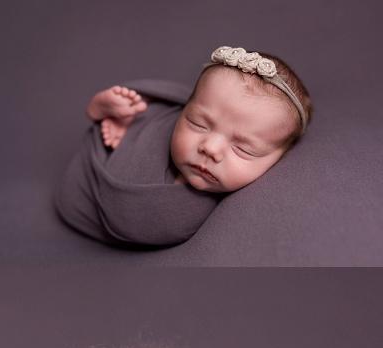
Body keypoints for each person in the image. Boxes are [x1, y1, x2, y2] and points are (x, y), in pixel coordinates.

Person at [56, 46, 313, 246]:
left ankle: (124, 127)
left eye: (243, 149)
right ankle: (125, 120)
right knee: (153, 114)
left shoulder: (182, 215)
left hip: (104, 201)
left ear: (281, 156)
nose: (210, 148)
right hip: (126, 147)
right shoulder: (180, 115)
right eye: (198, 124)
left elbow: (131, 219)